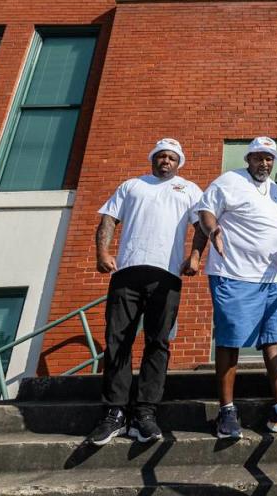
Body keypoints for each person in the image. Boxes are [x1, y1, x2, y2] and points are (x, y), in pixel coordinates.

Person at [87, 139, 205, 446]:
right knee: (117, 340)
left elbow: (202, 225)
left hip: (166, 276)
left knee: (158, 343)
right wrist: (103, 252)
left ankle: (145, 413)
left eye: (171, 157)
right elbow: (109, 218)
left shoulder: (189, 189)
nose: (165, 161)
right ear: (153, 159)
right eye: (161, 156)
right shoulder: (132, 186)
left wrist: (194, 256)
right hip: (127, 273)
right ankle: (115, 412)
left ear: (179, 162)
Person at [196, 137, 277, 439]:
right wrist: (214, 229)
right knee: (230, 342)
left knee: (275, 340)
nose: (265, 163)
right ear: (248, 159)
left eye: (269, 158)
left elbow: (273, 229)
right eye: (259, 158)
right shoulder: (229, 181)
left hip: (271, 279)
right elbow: (206, 211)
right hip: (234, 275)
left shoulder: (273, 191)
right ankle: (227, 411)